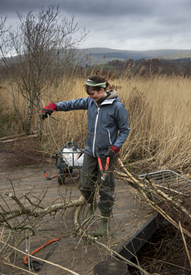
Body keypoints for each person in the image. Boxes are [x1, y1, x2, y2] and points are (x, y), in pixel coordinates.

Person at [41, 75, 130, 236]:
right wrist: (54, 107)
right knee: (84, 185)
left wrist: (115, 147)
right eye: (88, 94)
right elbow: (72, 104)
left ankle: (105, 222)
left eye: (92, 94)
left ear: (101, 90)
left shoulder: (117, 107)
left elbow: (125, 130)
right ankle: (91, 205)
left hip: (107, 154)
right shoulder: (90, 102)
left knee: (106, 189)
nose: (90, 97)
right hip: (90, 152)